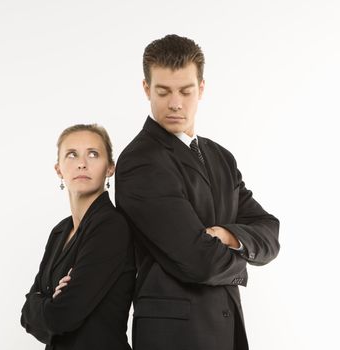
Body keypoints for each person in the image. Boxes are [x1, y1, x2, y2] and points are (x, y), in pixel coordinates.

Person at [115, 34, 280, 350]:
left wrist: (230, 237)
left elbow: (269, 231)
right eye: (163, 91)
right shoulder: (140, 162)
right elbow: (198, 260)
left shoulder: (220, 157)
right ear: (146, 89)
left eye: (185, 91)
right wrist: (242, 260)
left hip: (226, 331)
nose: (175, 102)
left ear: (201, 89)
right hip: (174, 338)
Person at [21, 124, 135, 350]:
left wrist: (43, 302)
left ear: (110, 168)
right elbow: (26, 314)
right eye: (72, 155)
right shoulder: (60, 231)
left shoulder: (111, 227)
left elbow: (61, 317)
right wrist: (45, 302)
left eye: (93, 154)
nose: (82, 163)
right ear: (58, 169)